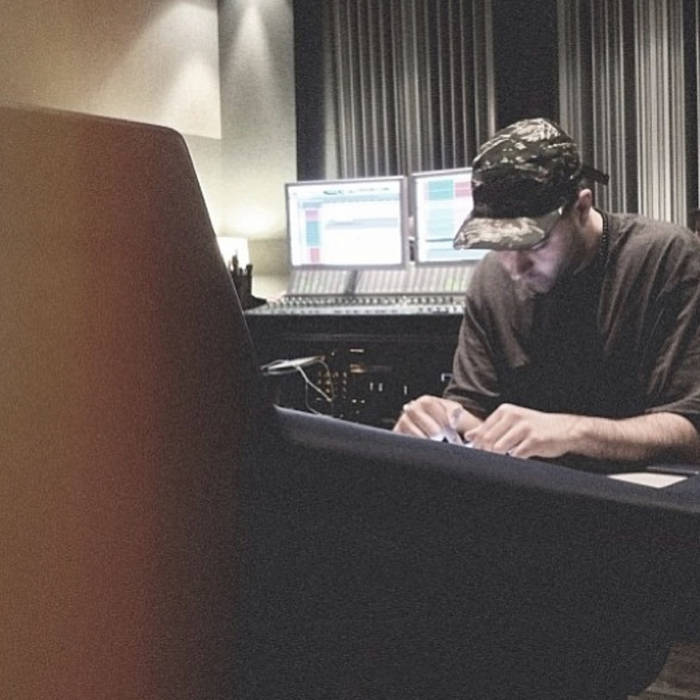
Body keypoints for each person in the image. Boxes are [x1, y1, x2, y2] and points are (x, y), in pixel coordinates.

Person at [394, 117, 700, 470]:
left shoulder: (666, 258)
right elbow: (472, 411)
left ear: (581, 208)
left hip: (635, 493)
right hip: (532, 490)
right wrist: (443, 419)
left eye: (534, 244)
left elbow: (691, 430)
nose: (514, 267)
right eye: (499, 244)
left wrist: (572, 431)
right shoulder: (491, 280)